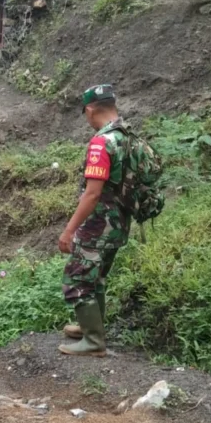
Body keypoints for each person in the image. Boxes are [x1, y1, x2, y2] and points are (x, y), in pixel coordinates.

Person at [57, 84, 134, 356]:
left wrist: (69, 230)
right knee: (97, 275)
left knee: (78, 277)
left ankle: (93, 341)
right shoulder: (126, 136)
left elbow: (92, 194)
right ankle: (91, 327)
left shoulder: (101, 143)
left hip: (99, 224)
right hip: (120, 221)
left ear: (90, 110)